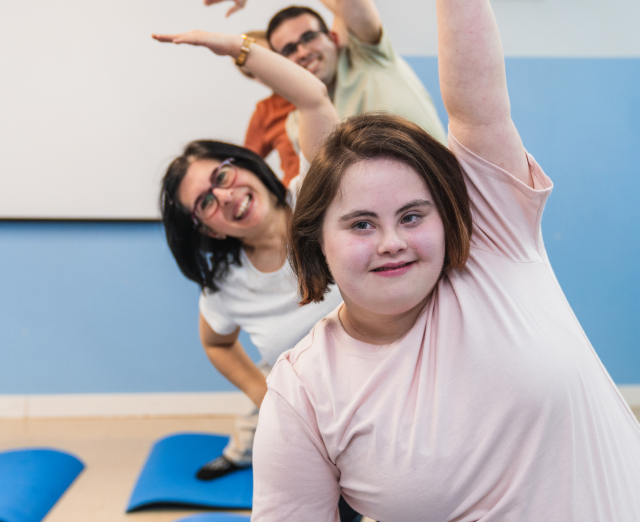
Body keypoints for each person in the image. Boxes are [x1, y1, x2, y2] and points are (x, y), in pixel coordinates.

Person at [248, 0, 640, 519]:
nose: (392, 241)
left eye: (413, 216)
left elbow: (476, 103)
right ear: (316, 240)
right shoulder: (303, 388)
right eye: (361, 224)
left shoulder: (494, 248)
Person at [152, 25, 341, 481]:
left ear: (245, 163)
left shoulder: (316, 198)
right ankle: (244, 450)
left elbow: (313, 98)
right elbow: (216, 342)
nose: (226, 196)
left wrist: (237, 49)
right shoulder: (226, 283)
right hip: (321, 437)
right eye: (205, 203)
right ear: (208, 230)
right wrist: (268, 400)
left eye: (221, 176)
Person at [205, 0, 445, 154]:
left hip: (456, 197)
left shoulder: (369, 57)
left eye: (309, 37)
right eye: (288, 50)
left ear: (333, 36)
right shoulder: (299, 123)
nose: (303, 52)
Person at [236, 31, 302, 186]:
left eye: (266, 56)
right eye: (252, 70)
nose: (264, 69)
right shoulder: (266, 111)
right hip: (304, 198)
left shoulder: (324, 76)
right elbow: (245, 165)